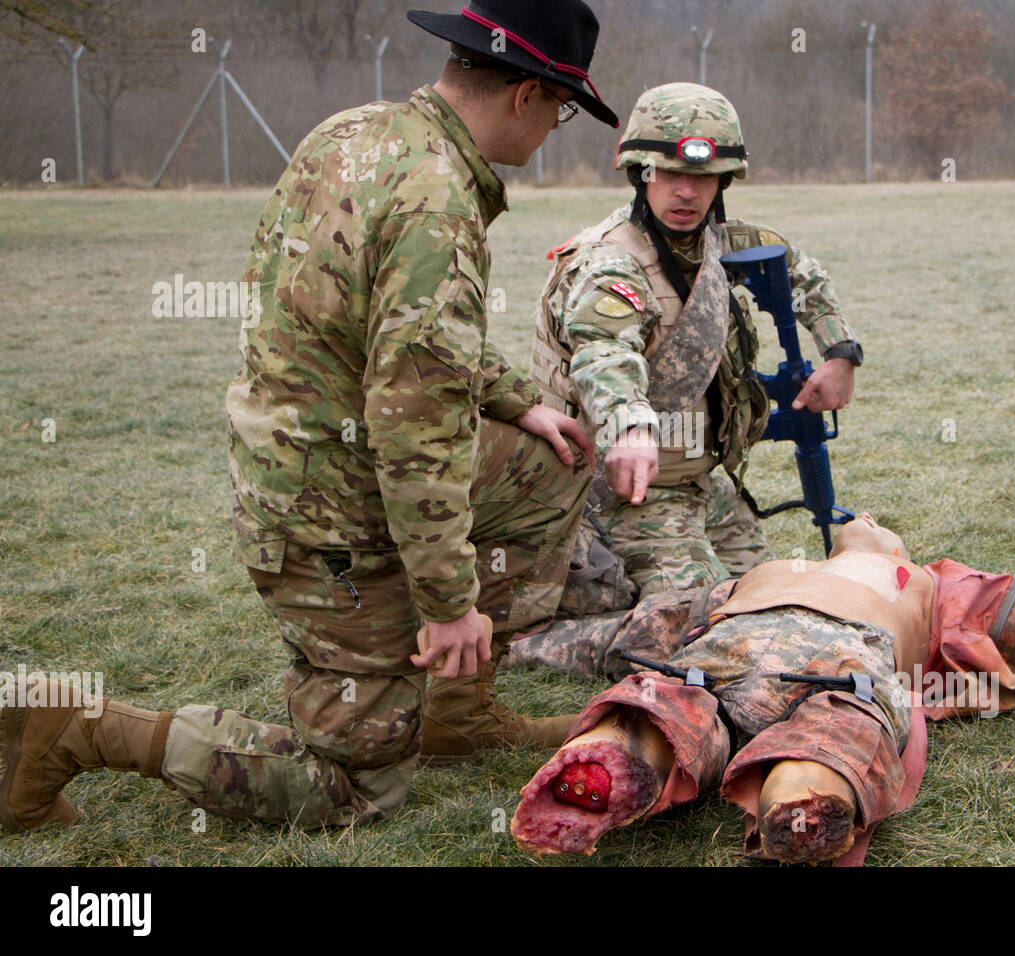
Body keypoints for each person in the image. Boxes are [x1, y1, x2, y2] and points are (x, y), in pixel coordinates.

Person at [0, 0, 618, 834]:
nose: (553, 128)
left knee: (546, 462)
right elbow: (413, 424)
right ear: (525, 96)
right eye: (560, 108)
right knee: (357, 795)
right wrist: (447, 604)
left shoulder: (357, 132)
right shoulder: (437, 200)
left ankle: (455, 716)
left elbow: (385, 333)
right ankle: (76, 726)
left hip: (306, 463)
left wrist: (521, 401)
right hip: (324, 517)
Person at [508, 516, 1015, 864]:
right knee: (712, 704)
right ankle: (765, 789)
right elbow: (631, 628)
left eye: (874, 521)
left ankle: (652, 759)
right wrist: (515, 644)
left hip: (774, 662)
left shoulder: (930, 585)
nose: (862, 520)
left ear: (897, 544)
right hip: (778, 663)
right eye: (855, 521)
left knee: (699, 703)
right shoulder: (798, 576)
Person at [532, 82, 863, 604]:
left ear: (723, 181)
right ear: (642, 175)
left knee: (772, 598)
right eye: (671, 174)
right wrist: (629, 428)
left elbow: (801, 273)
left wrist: (840, 355)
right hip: (627, 489)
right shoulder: (611, 262)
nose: (687, 192)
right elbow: (603, 350)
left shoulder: (723, 242)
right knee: (699, 619)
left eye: (703, 178)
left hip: (704, 482)